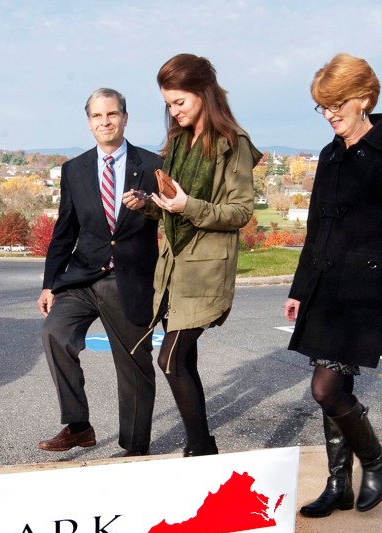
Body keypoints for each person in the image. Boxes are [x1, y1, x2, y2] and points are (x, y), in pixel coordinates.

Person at [284, 53, 382, 516]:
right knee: (334, 386)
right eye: (322, 106)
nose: (329, 114)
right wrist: (300, 289)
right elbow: (317, 227)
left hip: (367, 290)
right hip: (326, 287)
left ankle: (376, 459)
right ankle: (338, 486)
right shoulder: (329, 153)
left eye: (336, 104)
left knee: (326, 389)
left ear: (364, 98)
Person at [143, 54, 262, 457]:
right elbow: (174, 204)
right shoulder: (178, 141)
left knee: (171, 360)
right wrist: (147, 204)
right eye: (169, 105)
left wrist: (187, 206)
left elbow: (242, 213)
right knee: (184, 361)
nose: (174, 112)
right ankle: (202, 445)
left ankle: (200, 448)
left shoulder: (234, 143)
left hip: (207, 271)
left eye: (180, 102)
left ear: (203, 93)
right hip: (176, 267)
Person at [37, 88, 161, 457]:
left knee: (134, 366)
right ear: (88, 122)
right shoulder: (74, 170)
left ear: (125, 117)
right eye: (97, 116)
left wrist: (150, 203)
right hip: (81, 276)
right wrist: (49, 283)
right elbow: (65, 229)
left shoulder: (153, 165)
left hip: (129, 279)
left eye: (111, 114)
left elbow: (172, 217)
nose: (104, 122)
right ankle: (79, 427)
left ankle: (135, 448)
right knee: (54, 333)